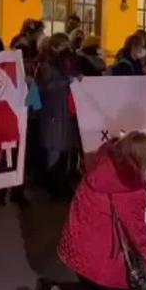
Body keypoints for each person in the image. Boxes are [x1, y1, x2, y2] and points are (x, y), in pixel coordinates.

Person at [39, 132, 146, 290]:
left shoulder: (101, 161)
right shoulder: (129, 188)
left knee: (97, 287)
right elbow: (137, 231)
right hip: (97, 257)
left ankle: (49, 287)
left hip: (75, 249)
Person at [36, 34, 81, 201]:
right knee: (54, 148)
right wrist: (68, 81)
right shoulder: (46, 64)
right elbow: (46, 87)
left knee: (64, 148)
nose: (67, 49)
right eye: (63, 46)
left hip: (64, 110)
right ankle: (53, 185)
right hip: (53, 111)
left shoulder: (66, 62)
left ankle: (61, 183)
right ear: (54, 47)